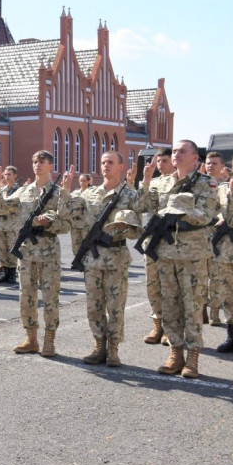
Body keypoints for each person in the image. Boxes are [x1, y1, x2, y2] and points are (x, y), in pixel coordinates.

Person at [136, 140, 219, 378]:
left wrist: (181, 210)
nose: (176, 154)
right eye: (174, 151)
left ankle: (192, 357)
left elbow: (207, 215)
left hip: (192, 253)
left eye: (182, 151)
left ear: (195, 158)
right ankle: (175, 353)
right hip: (165, 253)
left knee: (192, 305)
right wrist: (146, 180)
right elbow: (142, 205)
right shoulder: (161, 183)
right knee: (170, 305)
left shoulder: (206, 183)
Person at [0, 151, 69, 357]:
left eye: (42, 162)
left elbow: (67, 225)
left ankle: (49, 340)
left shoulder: (59, 193)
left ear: (50, 165)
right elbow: (1, 209)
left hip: (48, 252)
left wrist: (48, 222)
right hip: (26, 252)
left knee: (50, 297)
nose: (37, 165)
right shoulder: (24, 191)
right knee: (26, 297)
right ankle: (31, 339)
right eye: (34, 161)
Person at [64, 152, 141, 367]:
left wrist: (123, 227)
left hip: (116, 258)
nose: (106, 166)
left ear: (121, 166)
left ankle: (113, 349)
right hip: (93, 259)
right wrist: (65, 190)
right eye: (103, 163)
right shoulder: (89, 194)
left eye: (110, 162)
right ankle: (99, 346)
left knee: (116, 306)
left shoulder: (130, 195)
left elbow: (137, 231)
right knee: (94, 306)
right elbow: (69, 216)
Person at [140, 148, 172, 344]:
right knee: (152, 284)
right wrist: (146, 179)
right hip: (151, 239)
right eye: (158, 161)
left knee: (169, 285)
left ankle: (169, 327)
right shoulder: (152, 182)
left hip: (170, 241)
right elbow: (141, 205)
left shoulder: (180, 182)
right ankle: (157, 324)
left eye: (164, 160)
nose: (160, 164)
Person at [214, 154, 233, 354]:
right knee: (228, 295)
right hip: (226, 252)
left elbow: (231, 219)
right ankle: (231, 336)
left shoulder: (230, 191)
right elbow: (215, 212)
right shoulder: (222, 189)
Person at [203, 151, 227, 326]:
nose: (210, 166)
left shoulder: (225, 188)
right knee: (199, 276)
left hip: (219, 238)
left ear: (222, 167)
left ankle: (215, 311)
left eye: (214, 163)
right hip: (199, 238)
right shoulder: (198, 185)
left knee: (217, 277)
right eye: (208, 163)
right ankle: (202, 309)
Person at [0, 166, 21, 284]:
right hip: (0, 224)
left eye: (9, 174)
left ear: (15, 176)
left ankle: (12, 274)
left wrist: (0, 205)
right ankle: (6, 273)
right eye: (5, 174)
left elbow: (7, 206)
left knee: (11, 249)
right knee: (2, 249)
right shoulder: (2, 189)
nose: (6, 176)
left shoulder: (19, 190)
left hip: (12, 225)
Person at [69, 173, 94, 256]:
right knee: (75, 245)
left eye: (84, 181)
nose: (82, 183)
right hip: (75, 224)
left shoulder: (93, 192)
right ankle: (77, 259)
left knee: (87, 245)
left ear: (88, 181)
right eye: (80, 181)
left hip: (87, 225)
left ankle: (87, 260)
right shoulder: (75, 193)